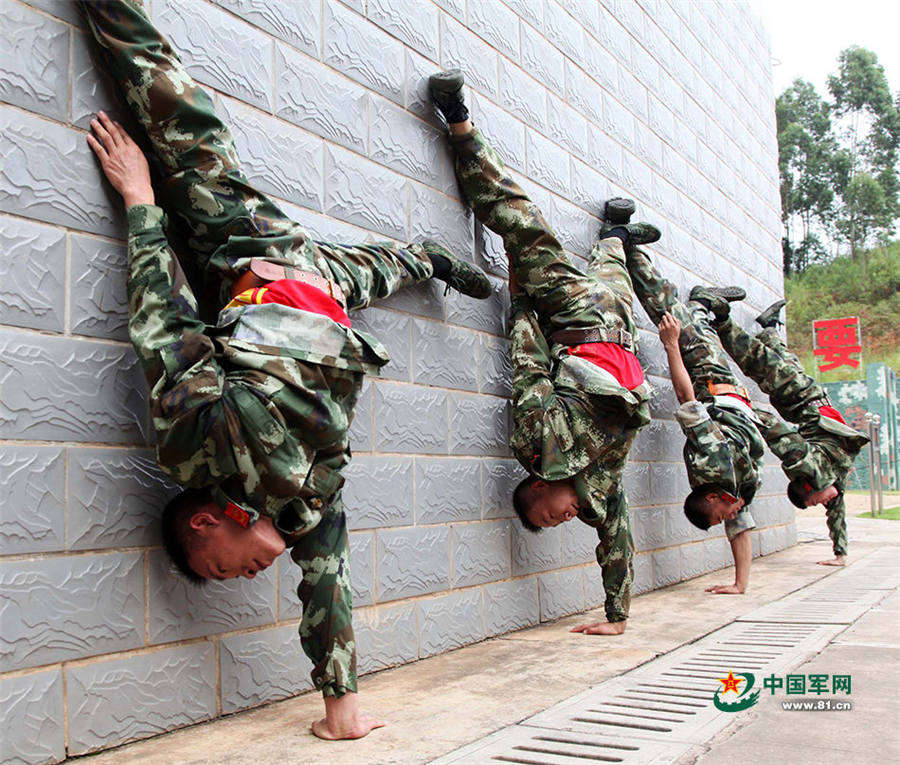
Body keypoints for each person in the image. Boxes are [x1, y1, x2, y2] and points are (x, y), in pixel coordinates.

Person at [81, 1, 491, 740]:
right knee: (391, 267)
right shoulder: (307, 510)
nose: (246, 578)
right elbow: (327, 594)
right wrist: (343, 714)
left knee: (182, 120)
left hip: (252, 257)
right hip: (327, 293)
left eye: (223, 568)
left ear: (207, 520)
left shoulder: (198, 445)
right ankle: (433, 257)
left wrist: (141, 201)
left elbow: (163, 325)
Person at [429, 70, 658, 635]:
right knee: (614, 268)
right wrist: (617, 618)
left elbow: (528, 371)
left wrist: (524, 304)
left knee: (519, 223)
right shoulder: (601, 489)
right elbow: (619, 541)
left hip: (573, 318)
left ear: (536, 488)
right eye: (559, 524)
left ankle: (459, 122)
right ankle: (615, 231)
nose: (563, 520)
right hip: (622, 327)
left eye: (549, 517)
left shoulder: (538, 447)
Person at [625, 247, 766, 595]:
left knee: (668, 312)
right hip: (734, 393)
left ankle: (624, 243)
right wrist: (740, 585)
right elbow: (741, 532)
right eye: (723, 521)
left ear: (715, 497)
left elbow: (687, 399)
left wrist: (671, 346)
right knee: (702, 331)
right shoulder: (735, 493)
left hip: (706, 377)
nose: (728, 520)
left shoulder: (709, 462)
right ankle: (703, 305)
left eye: (721, 516)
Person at [695, 293, 870, 566]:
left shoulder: (811, 467)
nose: (823, 504)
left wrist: (745, 410)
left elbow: (778, 433)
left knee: (758, 359)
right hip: (811, 396)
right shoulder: (833, 479)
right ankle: (769, 328)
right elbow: (837, 516)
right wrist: (840, 553)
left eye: (815, 503)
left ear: (810, 486)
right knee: (786, 359)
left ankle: (722, 318)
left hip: (798, 399)